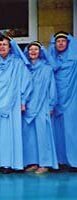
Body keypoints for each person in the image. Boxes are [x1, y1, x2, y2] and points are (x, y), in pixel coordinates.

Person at [0, 35, 32, 173]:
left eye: (5, 44)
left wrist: (23, 101)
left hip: (13, 103)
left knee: (10, 134)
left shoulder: (18, 63)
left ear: (10, 47)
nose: (2, 47)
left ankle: (11, 163)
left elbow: (26, 82)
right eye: (0, 45)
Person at [22, 41, 58, 174]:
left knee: (43, 136)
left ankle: (45, 163)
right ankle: (33, 162)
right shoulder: (25, 69)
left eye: (36, 49)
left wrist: (51, 104)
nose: (33, 52)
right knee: (30, 136)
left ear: (40, 52)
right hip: (28, 107)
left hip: (42, 106)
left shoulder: (46, 69)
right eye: (30, 49)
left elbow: (52, 88)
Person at [49, 31, 77, 172]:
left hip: (71, 99)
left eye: (63, 41)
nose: (60, 43)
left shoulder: (74, 60)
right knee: (57, 131)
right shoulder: (51, 61)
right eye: (57, 41)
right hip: (55, 100)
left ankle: (74, 161)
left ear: (68, 43)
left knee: (71, 130)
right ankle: (60, 161)